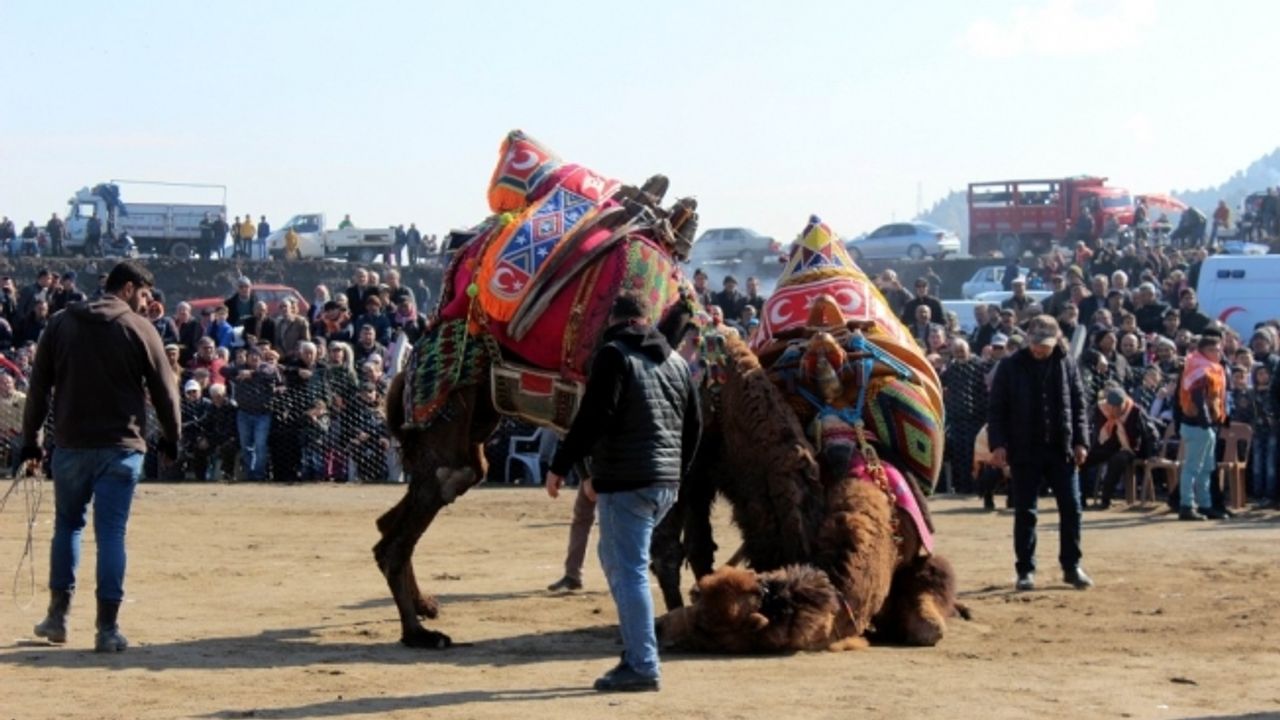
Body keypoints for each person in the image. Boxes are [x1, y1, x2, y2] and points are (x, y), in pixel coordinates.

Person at [544, 292, 701, 693]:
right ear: (645, 319)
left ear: (614, 319)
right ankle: (637, 646)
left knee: (628, 569)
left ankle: (642, 663)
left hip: (627, 482)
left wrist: (562, 465)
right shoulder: (678, 362)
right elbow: (695, 425)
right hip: (664, 484)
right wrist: (677, 474)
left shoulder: (613, 355)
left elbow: (594, 416)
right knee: (612, 557)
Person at [22, 260, 181, 652]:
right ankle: (107, 629)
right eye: (144, 295)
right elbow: (165, 391)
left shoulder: (60, 323)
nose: (146, 304)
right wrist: (173, 438)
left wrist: (32, 440)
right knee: (111, 534)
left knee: (68, 527)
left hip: (71, 445)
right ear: (127, 289)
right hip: (121, 448)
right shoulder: (139, 329)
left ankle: (58, 618)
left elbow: (38, 387)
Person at [987, 315, 1093, 592]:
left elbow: (1079, 406)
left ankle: (1072, 567)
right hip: (1024, 449)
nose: (1039, 350)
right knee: (1025, 512)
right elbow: (996, 409)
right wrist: (998, 444)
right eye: (1035, 344)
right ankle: (1025, 570)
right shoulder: (1009, 367)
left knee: (1072, 508)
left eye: (1044, 345)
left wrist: (1082, 441)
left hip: (1062, 448)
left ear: (1056, 340)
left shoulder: (1067, 363)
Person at [1175, 332, 1229, 521]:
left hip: (1206, 425)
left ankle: (1205, 505)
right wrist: (1205, 420)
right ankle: (1187, 505)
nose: (1217, 352)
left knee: (1206, 467)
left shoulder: (1211, 367)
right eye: (1212, 349)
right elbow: (1197, 395)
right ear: (1203, 351)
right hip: (1197, 424)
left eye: (1218, 348)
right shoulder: (1199, 367)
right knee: (1192, 467)